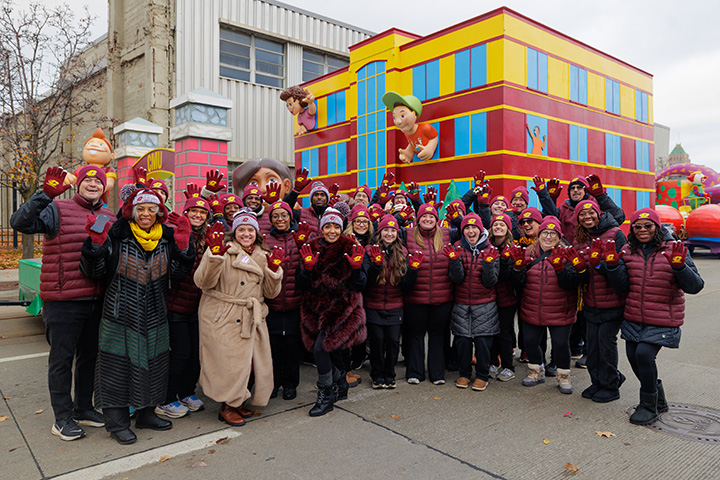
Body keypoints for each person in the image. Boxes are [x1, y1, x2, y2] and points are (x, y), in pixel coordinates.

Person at [79, 188, 195, 445]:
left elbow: (177, 274)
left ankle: (146, 414)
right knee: (115, 368)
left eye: (151, 209)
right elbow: (94, 271)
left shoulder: (166, 239)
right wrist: (95, 246)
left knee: (154, 364)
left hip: (154, 311)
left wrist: (185, 245)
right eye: (141, 209)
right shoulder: (116, 235)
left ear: (159, 213)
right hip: (119, 312)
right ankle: (117, 423)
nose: (145, 214)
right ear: (131, 211)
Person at [10, 166, 114, 441]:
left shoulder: (108, 216)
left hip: (96, 298)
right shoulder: (57, 208)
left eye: (98, 181)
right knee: (61, 360)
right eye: (87, 180)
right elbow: (19, 223)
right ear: (77, 184)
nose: (92, 184)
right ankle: (62, 418)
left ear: (104, 187)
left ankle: (83, 409)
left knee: (89, 358)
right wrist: (43, 194)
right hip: (63, 299)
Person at [605, 208, 703, 425]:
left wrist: (679, 267)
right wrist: (612, 266)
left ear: (657, 227)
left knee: (643, 355)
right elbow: (621, 286)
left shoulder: (674, 248)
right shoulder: (627, 250)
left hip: (663, 317)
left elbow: (695, 286)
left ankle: (648, 406)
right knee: (632, 356)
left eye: (647, 225)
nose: (642, 230)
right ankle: (659, 398)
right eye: (637, 226)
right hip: (633, 316)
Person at [194, 209, 285, 427]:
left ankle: (237, 401)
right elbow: (203, 283)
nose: (246, 233)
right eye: (241, 229)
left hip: (251, 316)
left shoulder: (263, 255)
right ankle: (227, 406)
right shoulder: (222, 250)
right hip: (222, 315)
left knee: (251, 363)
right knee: (228, 363)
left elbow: (271, 294)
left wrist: (273, 270)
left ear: (257, 232)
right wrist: (214, 256)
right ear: (234, 232)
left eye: (250, 229)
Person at [296, 208, 367, 416]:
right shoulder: (311, 247)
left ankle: (326, 394)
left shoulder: (350, 246)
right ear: (322, 228)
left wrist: (355, 268)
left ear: (341, 228)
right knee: (332, 350)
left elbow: (360, 284)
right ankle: (341, 382)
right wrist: (307, 270)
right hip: (315, 308)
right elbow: (301, 284)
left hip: (341, 308)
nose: (332, 230)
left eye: (336, 226)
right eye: (328, 226)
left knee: (321, 349)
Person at [509, 217, 582, 394]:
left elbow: (572, 283)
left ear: (559, 236)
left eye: (553, 233)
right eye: (545, 233)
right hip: (533, 307)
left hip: (560, 309)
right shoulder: (527, 252)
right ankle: (536, 371)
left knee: (560, 344)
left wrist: (561, 269)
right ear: (539, 234)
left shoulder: (568, 253)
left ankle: (563, 375)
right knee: (531, 342)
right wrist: (517, 269)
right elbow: (518, 284)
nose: (548, 237)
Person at [155, 195, 213, 419]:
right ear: (186, 213)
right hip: (176, 305)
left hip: (198, 307)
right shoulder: (174, 233)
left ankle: (187, 392)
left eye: (203, 212)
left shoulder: (207, 237)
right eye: (193, 211)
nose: (198, 215)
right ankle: (166, 399)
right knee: (180, 354)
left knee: (195, 355)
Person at [571, 198, 627, 403]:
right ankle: (597, 382)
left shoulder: (615, 234)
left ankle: (611, 385)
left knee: (606, 345)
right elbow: (583, 273)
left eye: (591, 213)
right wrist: (580, 269)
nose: (587, 217)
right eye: (582, 214)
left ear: (598, 213)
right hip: (589, 302)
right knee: (592, 347)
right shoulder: (579, 238)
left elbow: (623, 270)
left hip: (612, 302)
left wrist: (599, 266)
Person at [363, 215, 421, 389]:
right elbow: (366, 281)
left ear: (397, 233)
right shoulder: (369, 250)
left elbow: (406, 285)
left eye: (393, 230)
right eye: (385, 230)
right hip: (374, 305)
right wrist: (376, 266)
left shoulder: (402, 252)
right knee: (377, 341)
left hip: (395, 306)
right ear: (379, 233)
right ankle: (377, 375)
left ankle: (390, 374)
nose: (389, 233)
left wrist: (413, 271)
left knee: (393, 342)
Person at [446, 213, 500, 391]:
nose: (470, 231)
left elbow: (490, 282)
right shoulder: (457, 247)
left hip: (484, 303)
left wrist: (488, 264)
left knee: (483, 343)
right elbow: (456, 279)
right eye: (467, 228)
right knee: (462, 342)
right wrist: (454, 261)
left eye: (474, 227)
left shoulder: (490, 249)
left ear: (480, 230)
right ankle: (464, 373)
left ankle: (482, 375)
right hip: (462, 302)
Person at [403, 203, 455, 385]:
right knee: (415, 335)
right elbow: (385, 230)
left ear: (436, 219)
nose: (427, 219)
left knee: (437, 336)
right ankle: (415, 372)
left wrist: (456, 217)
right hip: (415, 298)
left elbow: (471, 230)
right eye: (424, 216)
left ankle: (437, 373)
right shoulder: (407, 235)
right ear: (418, 219)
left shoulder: (448, 235)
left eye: (431, 216)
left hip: (442, 298)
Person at [264, 201, 304, 401]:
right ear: (270, 219)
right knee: (272, 348)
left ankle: (290, 384)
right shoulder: (265, 240)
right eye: (276, 216)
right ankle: (273, 383)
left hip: (294, 303)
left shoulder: (299, 238)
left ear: (291, 217)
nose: (280, 219)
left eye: (284, 215)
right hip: (272, 304)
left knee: (291, 348)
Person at [487, 213, 518, 382]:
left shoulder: (512, 248)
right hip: (489, 297)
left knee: (505, 333)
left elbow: (510, 276)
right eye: (496, 224)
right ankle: (493, 362)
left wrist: (506, 262)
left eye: (502, 225)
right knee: (491, 332)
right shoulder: (486, 246)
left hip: (506, 297)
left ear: (508, 229)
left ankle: (508, 366)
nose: (498, 227)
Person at [381, 91, 439, 163]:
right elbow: (412, 144)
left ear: (414, 113)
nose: (398, 122)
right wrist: (408, 154)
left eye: (402, 115)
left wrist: (430, 148)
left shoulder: (425, 127)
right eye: (394, 117)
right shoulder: (407, 133)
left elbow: (434, 137)